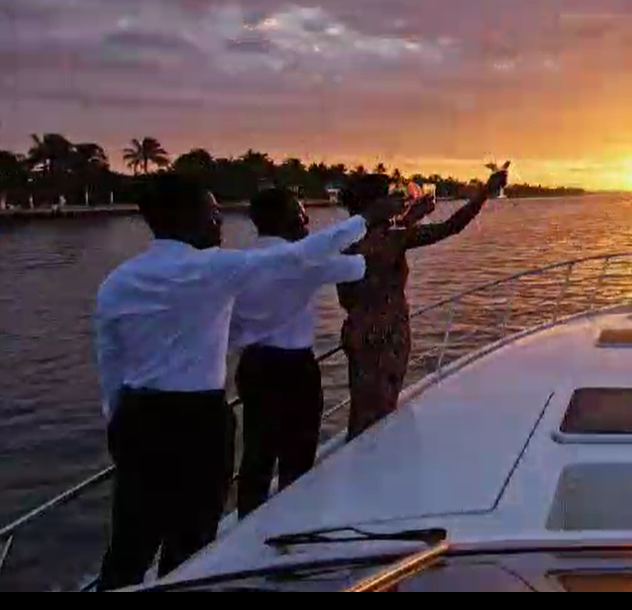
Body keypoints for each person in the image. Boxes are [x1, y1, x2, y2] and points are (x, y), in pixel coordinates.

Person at [92, 173, 404, 590]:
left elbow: (110, 362)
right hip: (197, 417)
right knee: (193, 535)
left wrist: (117, 419)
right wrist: (365, 219)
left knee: (132, 538)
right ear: (186, 218)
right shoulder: (214, 268)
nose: (219, 223)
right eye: (213, 214)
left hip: (136, 416)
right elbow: (299, 257)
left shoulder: (117, 282)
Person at [337, 167, 507, 440]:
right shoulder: (392, 237)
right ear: (375, 204)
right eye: (392, 195)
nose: (399, 198)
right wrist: (485, 192)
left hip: (361, 331)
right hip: (385, 334)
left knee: (366, 408)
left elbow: (370, 258)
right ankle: (374, 459)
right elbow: (450, 227)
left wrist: (409, 218)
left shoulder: (346, 238)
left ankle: (365, 456)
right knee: (378, 411)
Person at [227, 188, 364, 519]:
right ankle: (293, 521)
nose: (306, 221)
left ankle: (248, 524)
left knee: (257, 452)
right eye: (301, 214)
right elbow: (357, 268)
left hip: (253, 364)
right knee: (298, 453)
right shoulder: (303, 261)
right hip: (293, 367)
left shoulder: (237, 262)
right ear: (284, 219)